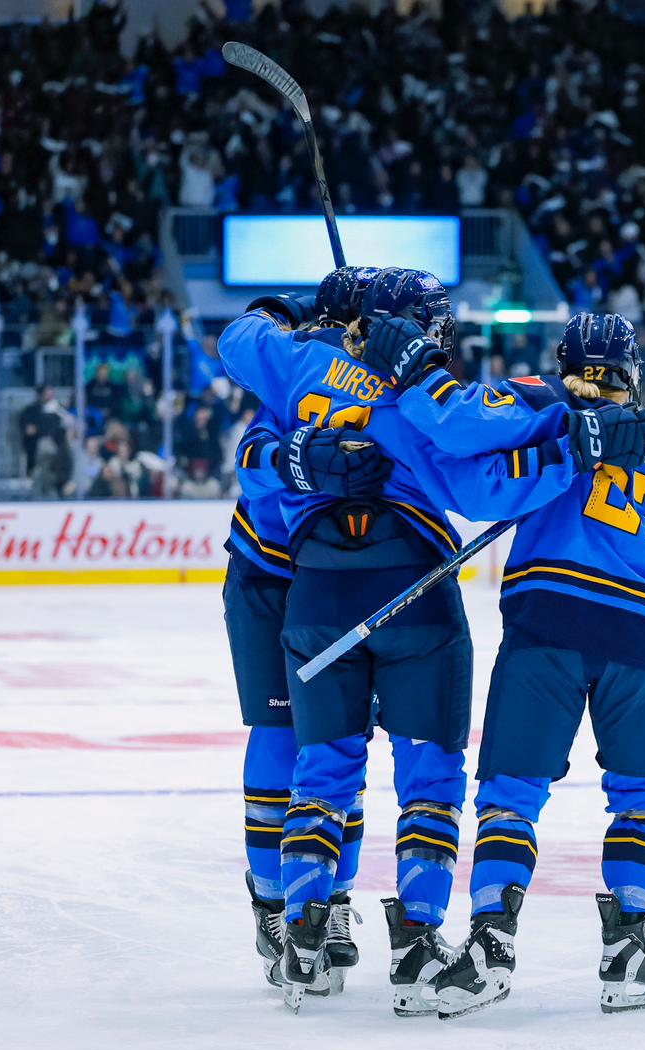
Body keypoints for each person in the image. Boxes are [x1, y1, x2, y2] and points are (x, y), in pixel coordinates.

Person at [220, 268, 645, 1013]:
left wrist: (292, 312)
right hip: (413, 590)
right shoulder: (424, 400)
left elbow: (239, 341)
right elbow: (479, 480)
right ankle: (418, 945)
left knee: (322, 768)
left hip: (316, 588)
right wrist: (578, 439)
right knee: (430, 774)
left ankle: (302, 941)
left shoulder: (300, 365)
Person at [394, 313, 645, 1017]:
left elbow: (474, 474)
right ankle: (627, 948)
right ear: (632, 370)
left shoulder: (543, 411)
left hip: (548, 626)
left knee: (511, 792)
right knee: (643, 797)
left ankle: (490, 944)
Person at [221, 266, 385, 997]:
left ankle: (332, 897)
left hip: (339, 576)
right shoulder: (299, 367)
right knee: (283, 734)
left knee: (337, 741)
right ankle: (271, 906)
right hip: (269, 576)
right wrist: (300, 461)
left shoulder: (388, 381)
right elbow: (252, 459)